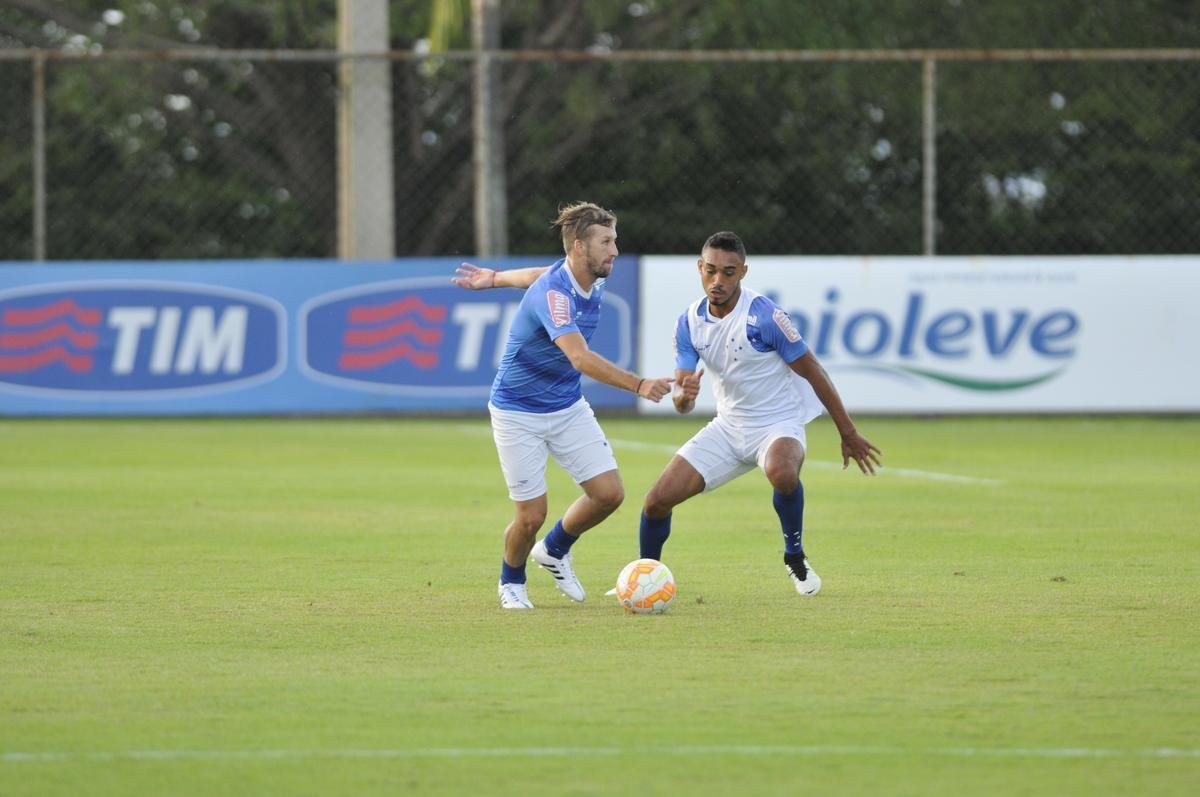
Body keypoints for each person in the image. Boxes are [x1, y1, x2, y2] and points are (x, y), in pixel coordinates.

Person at [451, 202, 673, 610]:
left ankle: (553, 550)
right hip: (517, 412)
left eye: (615, 241)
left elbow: (538, 274)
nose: (615, 251)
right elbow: (580, 358)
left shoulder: (588, 276)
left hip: (566, 405)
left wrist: (496, 278)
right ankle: (511, 581)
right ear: (577, 247)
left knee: (608, 494)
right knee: (530, 516)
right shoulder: (555, 295)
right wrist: (639, 384)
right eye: (605, 242)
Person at [638, 230, 881, 595]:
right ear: (699, 267)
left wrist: (847, 432)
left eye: (729, 272)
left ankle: (794, 557)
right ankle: (645, 577)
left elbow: (814, 370)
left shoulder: (766, 317)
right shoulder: (688, 322)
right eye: (710, 270)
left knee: (782, 473)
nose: (717, 281)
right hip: (727, 427)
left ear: (744, 272)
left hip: (778, 423)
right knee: (656, 501)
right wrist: (683, 397)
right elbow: (682, 403)